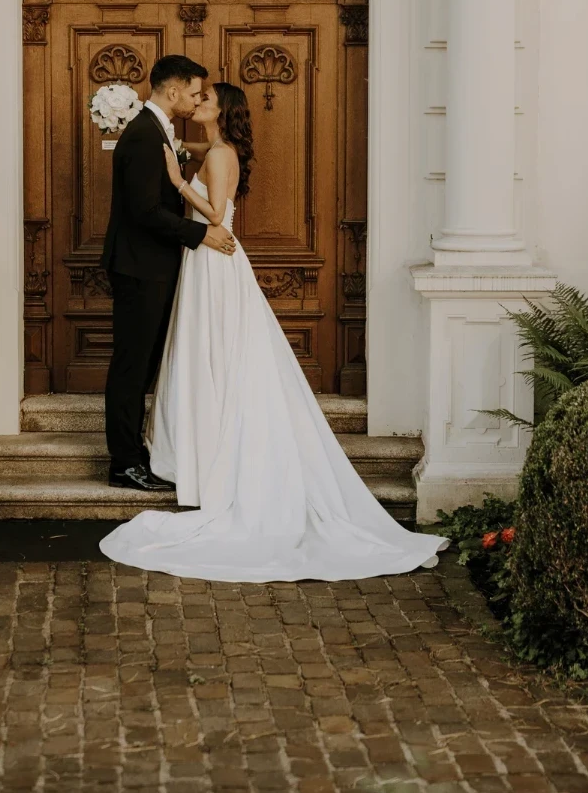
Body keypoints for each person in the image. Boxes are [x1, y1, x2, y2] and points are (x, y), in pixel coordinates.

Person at [100, 81, 447, 581]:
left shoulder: (221, 156)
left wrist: (177, 182)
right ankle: (197, 447)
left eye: (205, 101)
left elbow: (218, 217)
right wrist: (167, 143)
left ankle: (208, 454)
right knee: (209, 352)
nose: (195, 104)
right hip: (203, 263)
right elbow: (194, 148)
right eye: (194, 97)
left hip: (213, 260)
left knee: (215, 352)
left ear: (222, 112)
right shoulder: (216, 147)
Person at [102, 55, 236, 493]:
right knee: (131, 368)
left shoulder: (157, 131)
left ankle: (137, 453)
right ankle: (124, 463)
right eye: (195, 92)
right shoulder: (144, 135)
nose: (197, 99)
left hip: (154, 266)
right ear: (174, 90)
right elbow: (144, 212)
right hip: (140, 268)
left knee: (142, 368)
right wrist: (200, 236)